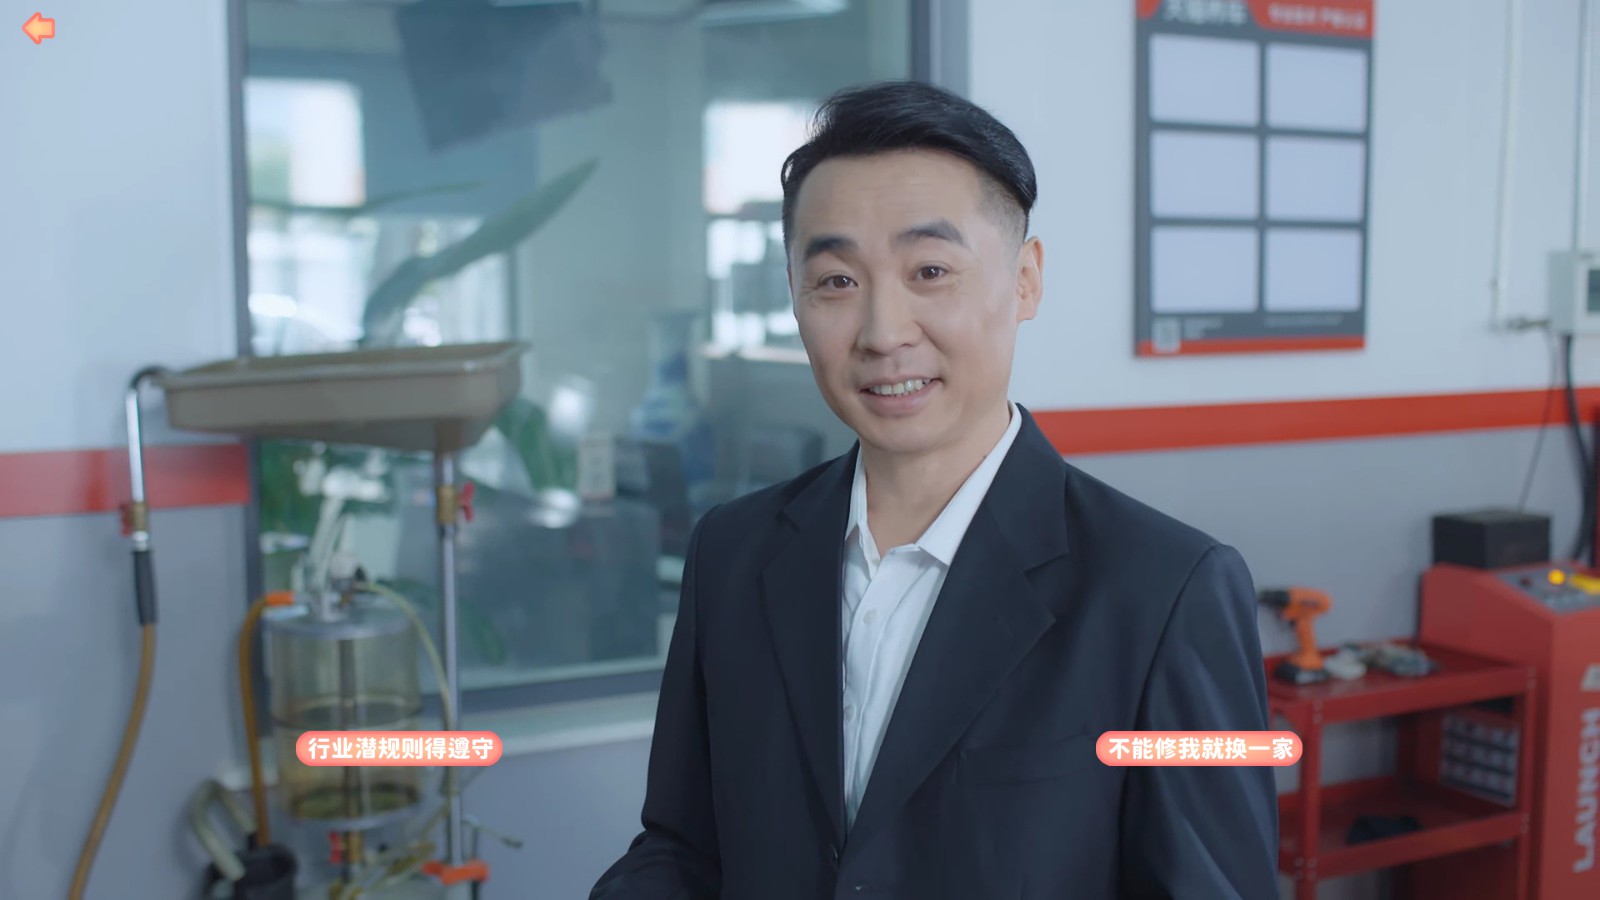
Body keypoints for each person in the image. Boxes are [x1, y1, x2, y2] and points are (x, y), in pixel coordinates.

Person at [591, 81, 1278, 899]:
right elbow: (684, 845)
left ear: (1025, 280)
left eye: (930, 270)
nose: (884, 333)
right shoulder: (731, 554)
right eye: (836, 281)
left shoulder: (1167, 591)